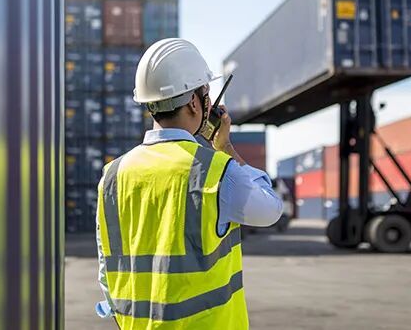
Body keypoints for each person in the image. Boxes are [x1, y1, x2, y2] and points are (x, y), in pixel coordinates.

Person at [95, 38, 283, 329]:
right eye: (206, 93)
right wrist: (226, 147)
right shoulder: (216, 171)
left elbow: (106, 272)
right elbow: (271, 209)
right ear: (195, 103)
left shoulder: (112, 176)